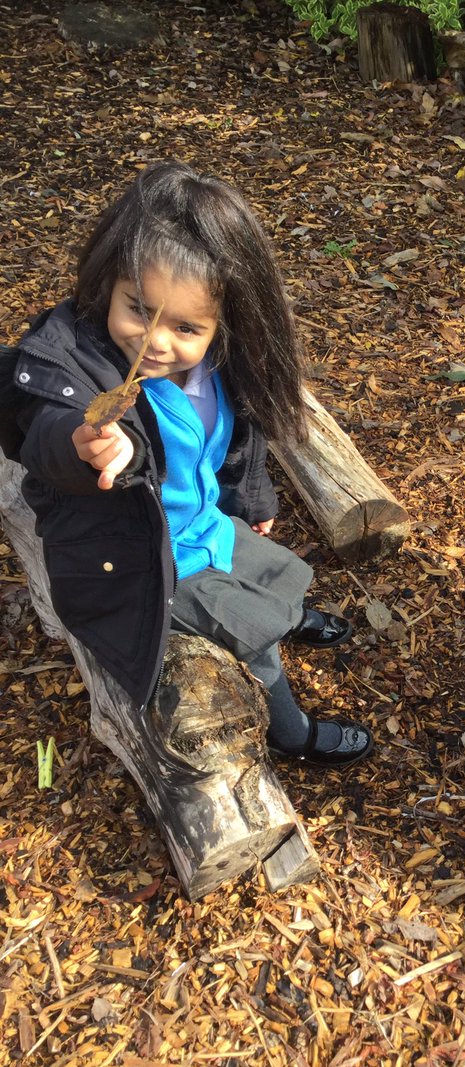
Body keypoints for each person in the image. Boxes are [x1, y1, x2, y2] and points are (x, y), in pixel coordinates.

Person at [9, 161, 372, 767]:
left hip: (202, 524)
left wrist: (252, 499)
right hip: (140, 559)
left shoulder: (218, 364)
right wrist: (83, 446)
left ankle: (285, 614)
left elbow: (240, 441)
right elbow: (43, 427)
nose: (156, 341)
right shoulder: (77, 365)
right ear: (107, 284)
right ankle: (291, 732)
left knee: (274, 571)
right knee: (255, 642)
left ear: (221, 322)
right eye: (138, 309)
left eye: (185, 326)